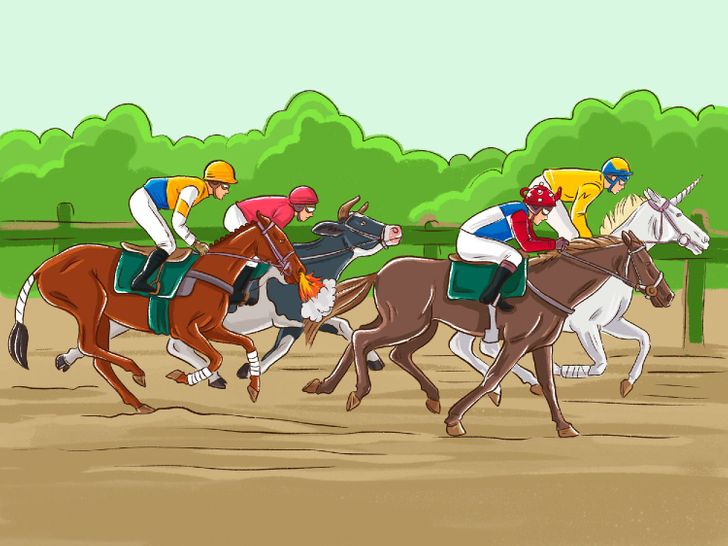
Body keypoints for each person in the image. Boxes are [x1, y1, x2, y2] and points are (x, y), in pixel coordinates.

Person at [128, 160, 237, 293]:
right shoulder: (193, 190)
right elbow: (177, 222)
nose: (227, 191)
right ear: (214, 184)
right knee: (167, 244)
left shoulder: (199, 190)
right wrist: (195, 243)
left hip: (146, 200)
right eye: (225, 186)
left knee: (169, 244)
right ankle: (139, 281)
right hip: (142, 201)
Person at [457, 184, 568, 311]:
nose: (546, 216)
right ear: (535, 208)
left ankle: (496, 294)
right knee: (514, 256)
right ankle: (489, 295)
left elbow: (533, 238)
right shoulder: (519, 214)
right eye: (546, 211)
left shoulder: (523, 213)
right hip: (470, 241)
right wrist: (554, 244)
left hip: (474, 239)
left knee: (510, 255)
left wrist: (554, 243)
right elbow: (527, 245)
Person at [222, 185, 319, 312]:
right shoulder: (287, 212)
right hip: (238, 217)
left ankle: (240, 291)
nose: (311, 214)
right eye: (310, 209)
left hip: (240, 214)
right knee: (252, 258)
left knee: (255, 257)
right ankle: (234, 293)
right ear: (299, 206)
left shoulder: (287, 208)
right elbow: (272, 236)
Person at [529, 157, 632, 239]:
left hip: (546, 189)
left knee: (571, 234)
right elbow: (577, 214)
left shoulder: (597, 180)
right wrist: (589, 239)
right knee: (570, 234)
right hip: (544, 190)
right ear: (613, 178)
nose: (622, 187)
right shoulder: (595, 187)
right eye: (622, 182)